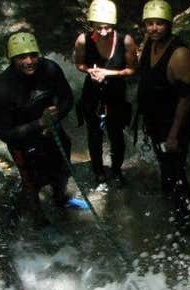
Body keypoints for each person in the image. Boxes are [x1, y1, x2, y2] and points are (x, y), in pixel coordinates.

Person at [0, 31, 74, 224]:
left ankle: (59, 199)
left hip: (51, 131)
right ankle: (37, 218)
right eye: (22, 57)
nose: (29, 61)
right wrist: (39, 124)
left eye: (33, 55)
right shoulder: (3, 88)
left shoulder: (50, 69)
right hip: (23, 141)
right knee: (31, 183)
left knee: (61, 170)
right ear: (13, 59)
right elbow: (4, 133)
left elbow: (67, 98)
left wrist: (57, 115)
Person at [136, 0, 190, 216]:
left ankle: (184, 222)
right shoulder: (150, 43)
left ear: (169, 24)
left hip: (173, 124)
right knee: (165, 166)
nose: (153, 28)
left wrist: (173, 135)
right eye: (149, 24)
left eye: (159, 24)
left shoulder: (179, 54)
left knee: (177, 169)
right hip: (155, 119)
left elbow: (186, 97)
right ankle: (168, 204)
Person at [73, 0, 137, 186]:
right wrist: (90, 71)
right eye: (98, 27)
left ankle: (116, 171)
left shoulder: (126, 41)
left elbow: (133, 69)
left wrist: (109, 73)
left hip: (115, 95)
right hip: (92, 94)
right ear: (91, 24)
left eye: (107, 28)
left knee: (117, 137)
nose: (102, 32)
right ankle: (98, 171)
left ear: (113, 25)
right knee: (94, 136)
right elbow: (79, 64)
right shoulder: (83, 40)